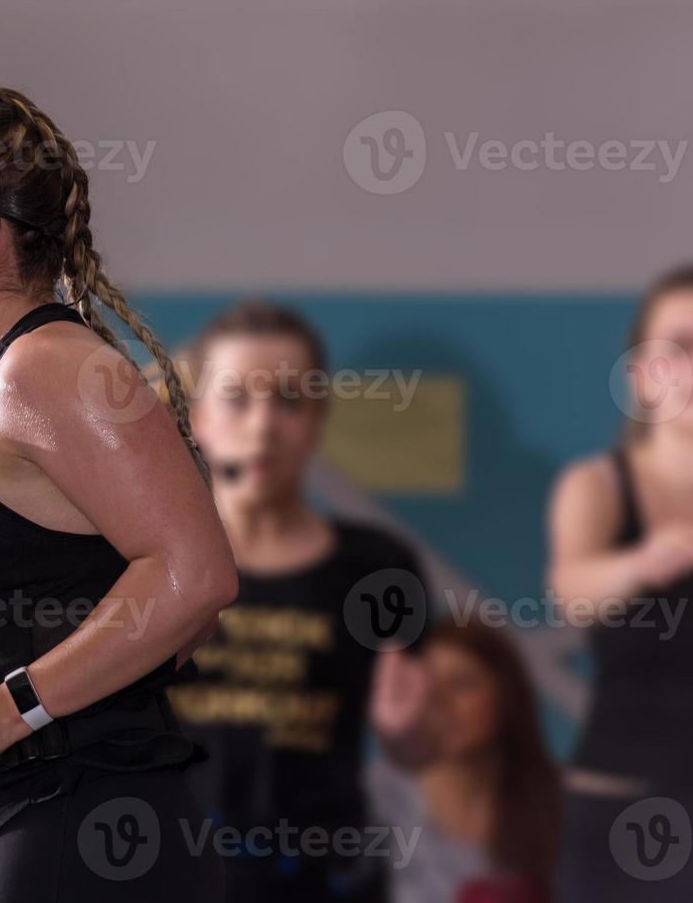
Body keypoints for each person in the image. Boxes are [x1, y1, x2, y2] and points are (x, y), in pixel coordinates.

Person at [0, 80, 239, 901]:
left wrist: (12, 707)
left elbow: (197, 577)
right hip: (63, 820)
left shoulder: (44, 369)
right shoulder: (18, 378)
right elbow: (182, 611)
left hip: (73, 825)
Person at [160, 299, 433, 902]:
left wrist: (406, 732)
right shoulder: (148, 563)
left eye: (288, 400)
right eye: (237, 399)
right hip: (168, 875)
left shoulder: (378, 568)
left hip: (324, 881)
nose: (262, 427)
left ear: (317, 419)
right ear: (199, 416)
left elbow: (415, 747)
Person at [547, 264, 693, 902]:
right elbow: (571, 593)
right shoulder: (598, 485)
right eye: (682, 347)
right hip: (624, 814)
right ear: (640, 375)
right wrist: (641, 562)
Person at [367, 618, 560, 903]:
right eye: (426, 686)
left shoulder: (557, 803)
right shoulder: (374, 798)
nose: (438, 702)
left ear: (506, 696)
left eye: (460, 684)